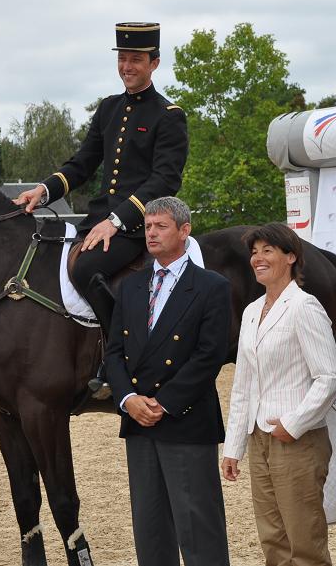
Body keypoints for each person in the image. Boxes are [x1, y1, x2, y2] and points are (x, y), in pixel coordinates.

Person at [14, 22, 188, 352]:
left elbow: (165, 180)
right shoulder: (108, 108)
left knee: (86, 269)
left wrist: (117, 220)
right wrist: (44, 190)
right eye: (122, 58)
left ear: (155, 63)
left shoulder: (169, 115)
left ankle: (122, 352)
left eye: (136, 59)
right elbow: (82, 163)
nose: (126, 67)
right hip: (98, 220)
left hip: (137, 226)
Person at [103, 196, 231, 566]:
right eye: (147, 227)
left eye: (161, 226)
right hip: (139, 424)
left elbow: (209, 355)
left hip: (185, 421)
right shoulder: (130, 287)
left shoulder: (211, 286)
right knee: (151, 532)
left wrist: (163, 403)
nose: (152, 233)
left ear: (185, 231)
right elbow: (114, 352)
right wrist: (128, 398)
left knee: (199, 532)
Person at [221, 222, 336, 566]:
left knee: (305, 544)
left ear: (291, 257)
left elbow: (330, 376)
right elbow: (243, 386)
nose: (258, 258)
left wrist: (294, 423)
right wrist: (234, 448)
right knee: (273, 542)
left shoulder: (305, 307)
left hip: (297, 440)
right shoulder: (249, 313)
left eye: (268, 251)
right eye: (254, 252)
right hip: (259, 439)